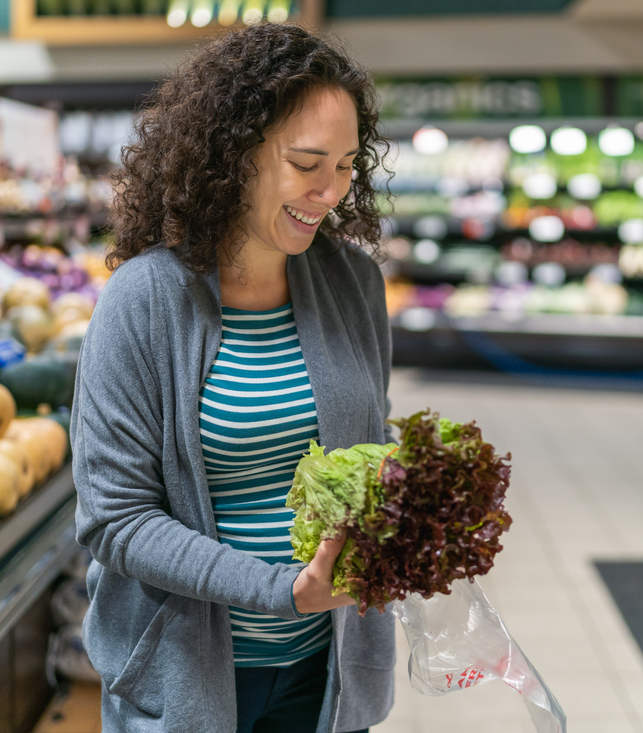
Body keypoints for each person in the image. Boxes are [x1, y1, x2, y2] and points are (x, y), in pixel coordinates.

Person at [70, 22, 395, 733]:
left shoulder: (354, 283)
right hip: (185, 681)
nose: (330, 191)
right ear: (233, 154)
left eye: (345, 164)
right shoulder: (143, 300)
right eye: (308, 162)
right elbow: (115, 518)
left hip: (328, 674)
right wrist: (283, 590)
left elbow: (371, 438)